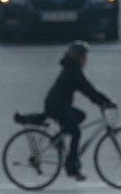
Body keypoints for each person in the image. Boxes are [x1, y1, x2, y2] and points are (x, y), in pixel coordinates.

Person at [41, 41, 113, 181]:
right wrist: (105, 101)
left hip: (58, 105)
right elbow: (88, 89)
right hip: (57, 106)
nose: (86, 59)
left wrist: (101, 101)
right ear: (78, 57)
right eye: (84, 56)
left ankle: (58, 138)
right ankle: (72, 166)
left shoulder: (72, 68)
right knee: (76, 132)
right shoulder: (73, 71)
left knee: (80, 116)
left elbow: (87, 89)